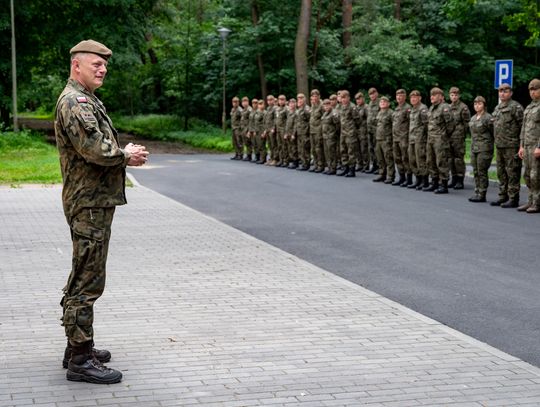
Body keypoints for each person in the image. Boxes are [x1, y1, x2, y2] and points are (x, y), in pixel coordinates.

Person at [55, 39, 149, 384]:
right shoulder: (76, 102)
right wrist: (127, 154)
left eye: (105, 65)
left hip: (93, 201)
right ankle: (80, 359)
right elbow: (94, 148)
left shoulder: (86, 99)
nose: (103, 69)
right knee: (88, 279)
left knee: (84, 272)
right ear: (76, 65)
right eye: (95, 64)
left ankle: (76, 345)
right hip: (89, 203)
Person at [490, 83, 524, 207]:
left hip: (511, 145)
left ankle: (513, 198)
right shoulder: (497, 108)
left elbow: (523, 127)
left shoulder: (516, 107)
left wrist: (522, 145)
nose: (502, 93)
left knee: (512, 172)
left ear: (510, 93)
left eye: (505, 91)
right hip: (499, 145)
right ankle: (502, 196)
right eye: (500, 91)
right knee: (501, 172)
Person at [424, 87, 455, 194]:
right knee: (430, 161)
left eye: (435, 95)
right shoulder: (432, 108)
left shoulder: (445, 107)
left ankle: (444, 184)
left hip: (440, 139)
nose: (432, 97)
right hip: (431, 138)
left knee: (441, 161)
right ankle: (434, 182)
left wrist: (443, 136)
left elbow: (450, 125)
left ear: (441, 97)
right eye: (431, 95)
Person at [517, 78, 540, 213]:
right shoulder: (530, 107)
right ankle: (530, 201)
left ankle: (537, 203)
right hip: (527, 146)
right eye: (530, 90)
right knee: (527, 175)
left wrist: (539, 147)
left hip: (536, 146)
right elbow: (524, 128)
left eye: (535, 89)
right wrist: (521, 146)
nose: (532, 92)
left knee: (536, 176)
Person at [468, 96, 494, 202]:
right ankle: (477, 191)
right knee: (475, 170)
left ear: (484, 105)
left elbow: (494, 133)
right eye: (475, 104)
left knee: (482, 171)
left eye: (479, 103)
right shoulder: (473, 118)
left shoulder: (488, 118)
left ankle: (482, 193)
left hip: (484, 148)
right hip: (474, 148)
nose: (477, 106)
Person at [448, 87, 471, 189]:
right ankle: (453, 178)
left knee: (458, 159)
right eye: (452, 95)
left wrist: (462, 134)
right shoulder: (448, 107)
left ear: (459, 96)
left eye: (456, 95)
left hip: (458, 137)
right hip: (449, 137)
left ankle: (460, 180)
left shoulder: (463, 107)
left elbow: (467, 123)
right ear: (449, 96)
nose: (454, 97)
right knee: (451, 159)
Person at [407, 90, 429, 190]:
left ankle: (424, 181)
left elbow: (426, 125)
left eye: (415, 97)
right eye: (411, 97)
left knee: (421, 159)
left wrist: (423, 137)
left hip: (420, 139)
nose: (413, 99)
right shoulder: (412, 109)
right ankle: (418, 179)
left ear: (419, 98)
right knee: (412, 159)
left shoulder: (423, 108)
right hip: (411, 137)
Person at [337, 90, 360, 177]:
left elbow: (358, 120)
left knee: (351, 151)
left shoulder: (352, 107)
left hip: (350, 132)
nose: (343, 100)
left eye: (344, 98)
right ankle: (345, 167)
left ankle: (352, 169)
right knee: (343, 150)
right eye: (342, 98)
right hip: (343, 132)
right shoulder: (341, 107)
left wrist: (353, 129)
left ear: (348, 98)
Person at [392, 89, 411, 186]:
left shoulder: (407, 108)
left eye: (401, 95)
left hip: (404, 137)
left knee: (405, 158)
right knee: (397, 158)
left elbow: (411, 123)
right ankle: (401, 177)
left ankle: (409, 179)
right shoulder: (396, 108)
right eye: (397, 96)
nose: (399, 97)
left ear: (405, 97)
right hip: (395, 137)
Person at [373, 96, 394, 183]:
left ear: (388, 104)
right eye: (381, 102)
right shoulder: (379, 113)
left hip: (386, 139)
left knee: (388, 158)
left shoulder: (390, 113)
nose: (382, 103)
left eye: (384, 102)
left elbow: (394, 126)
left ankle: (390, 176)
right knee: (380, 158)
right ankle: (382, 174)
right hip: (378, 138)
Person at [321, 98, 340, 174]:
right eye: (325, 106)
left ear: (330, 105)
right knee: (327, 152)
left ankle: (333, 168)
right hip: (325, 136)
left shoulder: (334, 113)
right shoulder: (325, 114)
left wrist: (334, 133)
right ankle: (329, 167)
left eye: (327, 105)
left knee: (332, 152)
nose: (326, 107)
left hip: (331, 136)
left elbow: (337, 125)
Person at [309, 89, 325, 172]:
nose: (314, 98)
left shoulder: (322, 106)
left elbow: (324, 118)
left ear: (319, 96)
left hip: (318, 130)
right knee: (313, 148)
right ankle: (315, 164)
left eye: (316, 96)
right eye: (313, 96)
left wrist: (322, 130)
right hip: (312, 130)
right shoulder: (312, 105)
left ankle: (320, 165)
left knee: (319, 148)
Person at [366, 87, 380, 173]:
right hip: (370, 129)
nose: (372, 95)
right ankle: (374, 165)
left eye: (373, 93)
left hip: (376, 129)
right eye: (370, 94)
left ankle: (379, 166)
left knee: (377, 148)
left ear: (377, 94)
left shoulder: (380, 103)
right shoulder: (370, 104)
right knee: (370, 148)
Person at [295, 93, 311, 171]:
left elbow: (309, 121)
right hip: (299, 132)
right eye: (298, 99)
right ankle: (303, 162)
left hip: (305, 132)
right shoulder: (299, 110)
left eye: (301, 98)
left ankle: (306, 163)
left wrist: (307, 131)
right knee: (300, 148)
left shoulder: (307, 109)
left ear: (305, 99)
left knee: (305, 148)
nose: (300, 100)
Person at [354, 92, 369, 172]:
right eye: (357, 99)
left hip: (363, 130)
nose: (358, 101)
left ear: (363, 98)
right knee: (357, 148)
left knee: (364, 149)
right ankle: (359, 164)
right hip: (356, 130)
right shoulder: (355, 108)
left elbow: (368, 119)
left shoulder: (366, 107)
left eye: (359, 99)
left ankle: (366, 165)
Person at [274, 94, 288, 167]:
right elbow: (276, 119)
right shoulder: (277, 109)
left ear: (285, 101)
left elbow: (288, 121)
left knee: (284, 145)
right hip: (278, 130)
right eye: (279, 100)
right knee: (279, 145)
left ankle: (286, 160)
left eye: (282, 100)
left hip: (283, 130)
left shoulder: (287, 109)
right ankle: (281, 159)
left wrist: (286, 131)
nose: (281, 101)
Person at [285, 98, 298, 169]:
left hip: (293, 133)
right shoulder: (289, 113)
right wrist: (286, 133)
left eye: (293, 103)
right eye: (290, 103)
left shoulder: (296, 113)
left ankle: (295, 162)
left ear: (295, 104)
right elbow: (287, 124)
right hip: (288, 132)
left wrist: (293, 134)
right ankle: (292, 160)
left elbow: (296, 124)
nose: (291, 104)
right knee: (290, 147)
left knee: (294, 148)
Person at [240, 96, 253, 161]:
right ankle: (248, 154)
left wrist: (249, 130)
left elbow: (251, 121)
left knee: (249, 142)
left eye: (245, 101)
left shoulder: (249, 109)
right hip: (243, 128)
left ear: (248, 102)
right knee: (246, 142)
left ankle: (249, 155)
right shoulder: (243, 110)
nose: (244, 103)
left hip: (247, 128)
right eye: (243, 102)